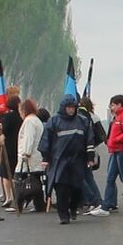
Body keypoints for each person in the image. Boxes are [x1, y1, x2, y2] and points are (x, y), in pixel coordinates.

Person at [39, 95, 92, 224]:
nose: (71, 110)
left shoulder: (83, 121)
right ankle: (63, 215)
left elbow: (89, 140)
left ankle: (73, 208)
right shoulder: (54, 121)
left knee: (77, 187)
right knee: (61, 188)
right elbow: (46, 140)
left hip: (77, 159)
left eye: (73, 107)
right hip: (59, 160)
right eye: (68, 108)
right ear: (63, 108)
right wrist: (45, 158)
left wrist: (90, 157)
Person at [78, 97, 109, 216]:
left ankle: (95, 201)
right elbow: (102, 136)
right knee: (88, 177)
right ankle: (95, 201)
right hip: (91, 149)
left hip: (87, 149)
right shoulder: (93, 117)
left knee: (85, 177)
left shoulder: (88, 118)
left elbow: (101, 135)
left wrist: (91, 145)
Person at [15, 99, 44, 212]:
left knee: (21, 181)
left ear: (24, 111)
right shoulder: (36, 120)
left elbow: (28, 138)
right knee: (36, 182)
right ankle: (39, 204)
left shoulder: (29, 121)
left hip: (29, 158)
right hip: (37, 157)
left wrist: (26, 153)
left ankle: (19, 203)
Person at [0, 87, 23, 210]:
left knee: (6, 173)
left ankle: (8, 196)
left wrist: (0, 128)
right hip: (19, 146)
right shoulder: (22, 117)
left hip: (8, 147)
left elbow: (4, 132)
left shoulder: (7, 117)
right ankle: (16, 195)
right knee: (16, 172)